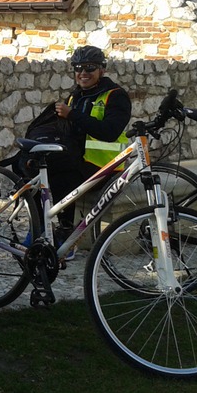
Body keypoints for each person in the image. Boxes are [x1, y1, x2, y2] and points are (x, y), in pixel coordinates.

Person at [50, 45, 132, 254]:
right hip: (79, 160)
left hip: (105, 166)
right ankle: (40, 229)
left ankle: (66, 232)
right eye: (78, 68)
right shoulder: (75, 96)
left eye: (89, 68)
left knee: (62, 180)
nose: (83, 73)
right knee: (36, 169)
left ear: (101, 70)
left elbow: (109, 132)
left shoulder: (115, 96)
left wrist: (72, 114)